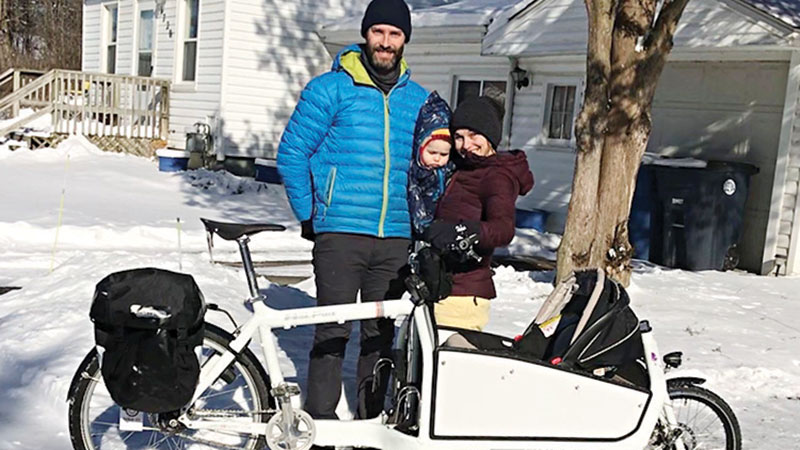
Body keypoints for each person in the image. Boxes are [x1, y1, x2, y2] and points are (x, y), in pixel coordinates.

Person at [276, 0, 428, 427]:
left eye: (394, 34)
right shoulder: (330, 89)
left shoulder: (418, 101)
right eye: (378, 32)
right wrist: (310, 215)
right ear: (366, 35)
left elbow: (432, 167)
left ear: (404, 40)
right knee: (332, 330)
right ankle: (320, 422)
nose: (385, 42)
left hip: (396, 236)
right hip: (340, 233)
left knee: (380, 338)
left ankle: (371, 424)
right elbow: (291, 154)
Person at [423, 95, 535, 331]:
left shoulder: (497, 176)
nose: (466, 144)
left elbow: (503, 230)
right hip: (441, 285)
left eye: (475, 135)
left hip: (463, 296)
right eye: (459, 137)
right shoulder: (465, 169)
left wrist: (460, 231)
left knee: (449, 366)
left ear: (491, 137)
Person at [408, 91, 455, 238]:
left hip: (443, 221)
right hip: (422, 225)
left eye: (443, 155)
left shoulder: (448, 168)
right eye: (432, 153)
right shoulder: (416, 171)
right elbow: (414, 197)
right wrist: (422, 223)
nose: (437, 159)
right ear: (420, 148)